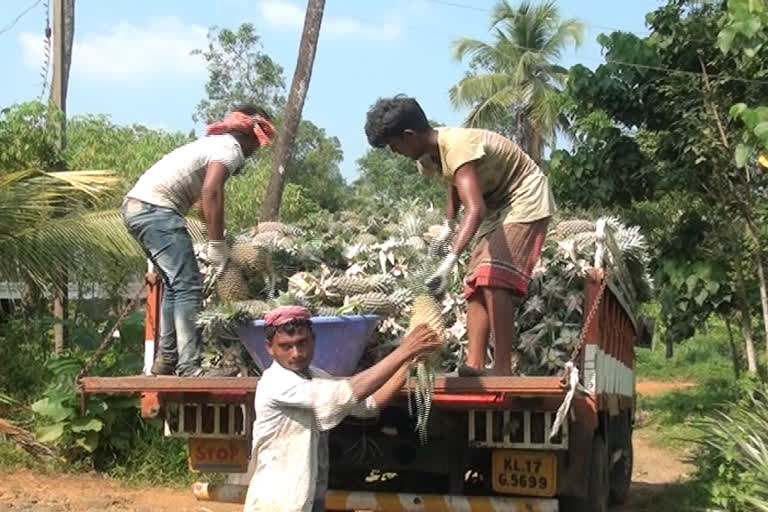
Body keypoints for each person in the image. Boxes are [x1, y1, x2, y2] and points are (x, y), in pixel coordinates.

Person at [364, 95, 555, 376]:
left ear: (409, 135)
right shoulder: (429, 157)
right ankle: (474, 365)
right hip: (497, 206)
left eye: (394, 146)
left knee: (493, 277)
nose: (396, 153)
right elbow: (454, 184)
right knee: (475, 282)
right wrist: (448, 225)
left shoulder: (456, 145)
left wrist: (450, 258)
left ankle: (502, 368)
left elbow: (475, 209)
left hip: (524, 196)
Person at [121, 105, 276, 377]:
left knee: (175, 285)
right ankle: (190, 366)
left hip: (140, 209)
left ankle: (167, 359)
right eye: (257, 143)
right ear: (251, 135)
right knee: (189, 284)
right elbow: (211, 191)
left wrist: (217, 236)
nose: (255, 151)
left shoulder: (213, 145)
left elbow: (204, 202)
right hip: (155, 210)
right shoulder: (230, 149)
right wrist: (216, 245)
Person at [244, 305, 441, 512]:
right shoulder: (276, 382)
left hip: (306, 500)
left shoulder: (316, 376)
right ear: (269, 348)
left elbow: (369, 405)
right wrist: (404, 351)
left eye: (302, 343)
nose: (297, 353)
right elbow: (345, 393)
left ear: (314, 338)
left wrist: (410, 364)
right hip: (277, 503)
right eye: (286, 346)